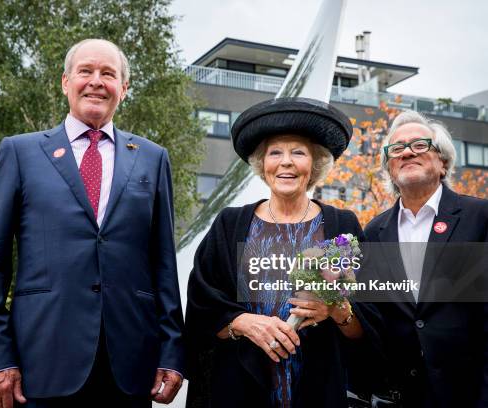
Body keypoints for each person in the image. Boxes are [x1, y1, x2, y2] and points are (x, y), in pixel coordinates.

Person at [0, 38, 185, 408]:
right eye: (86, 71)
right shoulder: (20, 152)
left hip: (130, 368)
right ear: (65, 81)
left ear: (124, 88)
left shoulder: (152, 158)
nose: (96, 81)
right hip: (39, 365)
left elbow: (163, 264)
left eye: (108, 74)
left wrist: (171, 352)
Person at [185, 97, 383, 408]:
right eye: (275, 152)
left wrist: (336, 309)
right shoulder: (230, 224)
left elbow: (371, 322)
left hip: (320, 388)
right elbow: (201, 308)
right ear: (262, 165)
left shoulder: (342, 226)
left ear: (315, 164)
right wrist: (243, 323)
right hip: (240, 389)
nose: (286, 162)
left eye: (298, 152)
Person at [363, 110, 488, 407]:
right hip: (403, 395)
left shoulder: (479, 218)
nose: (407, 152)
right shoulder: (374, 231)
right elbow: (375, 319)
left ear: (442, 162)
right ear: (390, 169)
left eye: (420, 145)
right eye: (397, 149)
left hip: (469, 392)